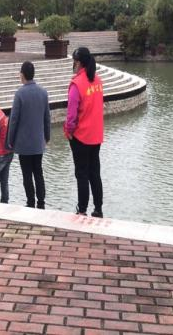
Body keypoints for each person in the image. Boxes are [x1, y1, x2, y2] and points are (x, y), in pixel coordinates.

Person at [64, 47, 104, 218]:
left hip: (81, 136)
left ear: (78, 63)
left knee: (81, 174)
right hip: (96, 135)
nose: (73, 65)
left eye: (74, 62)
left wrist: (68, 131)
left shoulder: (77, 84)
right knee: (94, 172)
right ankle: (98, 209)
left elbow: (71, 115)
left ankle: (82, 209)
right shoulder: (98, 81)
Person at [7, 61, 51, 209]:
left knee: (27, 173)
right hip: (38, 143)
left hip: (24, 143)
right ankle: (41, 202)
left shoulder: (20, 94)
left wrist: (10, 140)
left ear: (22, 75)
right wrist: (47, 137)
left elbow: (14, 120)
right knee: (38, 171)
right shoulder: (43, 93)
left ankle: (30, 202)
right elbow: (47, 118)